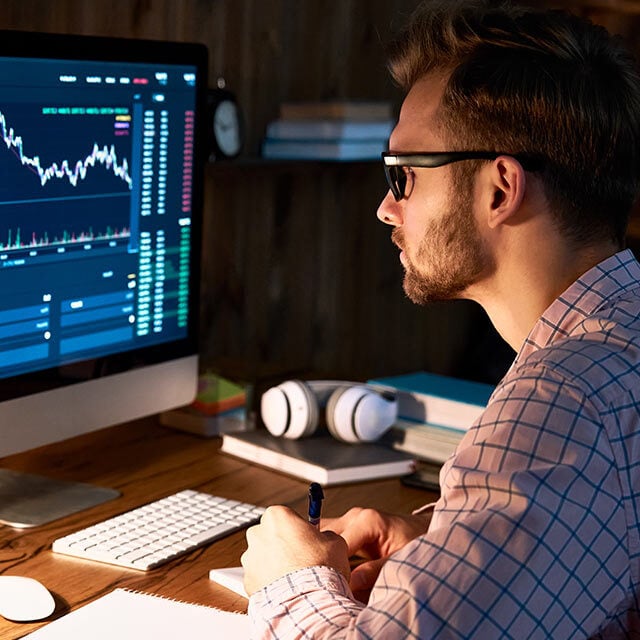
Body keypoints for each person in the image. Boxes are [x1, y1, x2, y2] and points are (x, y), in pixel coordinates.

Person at [241, 0, 640, 636]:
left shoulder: (562, 403)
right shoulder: (619, 342)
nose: (385, 208)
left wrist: (290, 580)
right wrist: (444, 542)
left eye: (404, 176)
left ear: (499, 189)